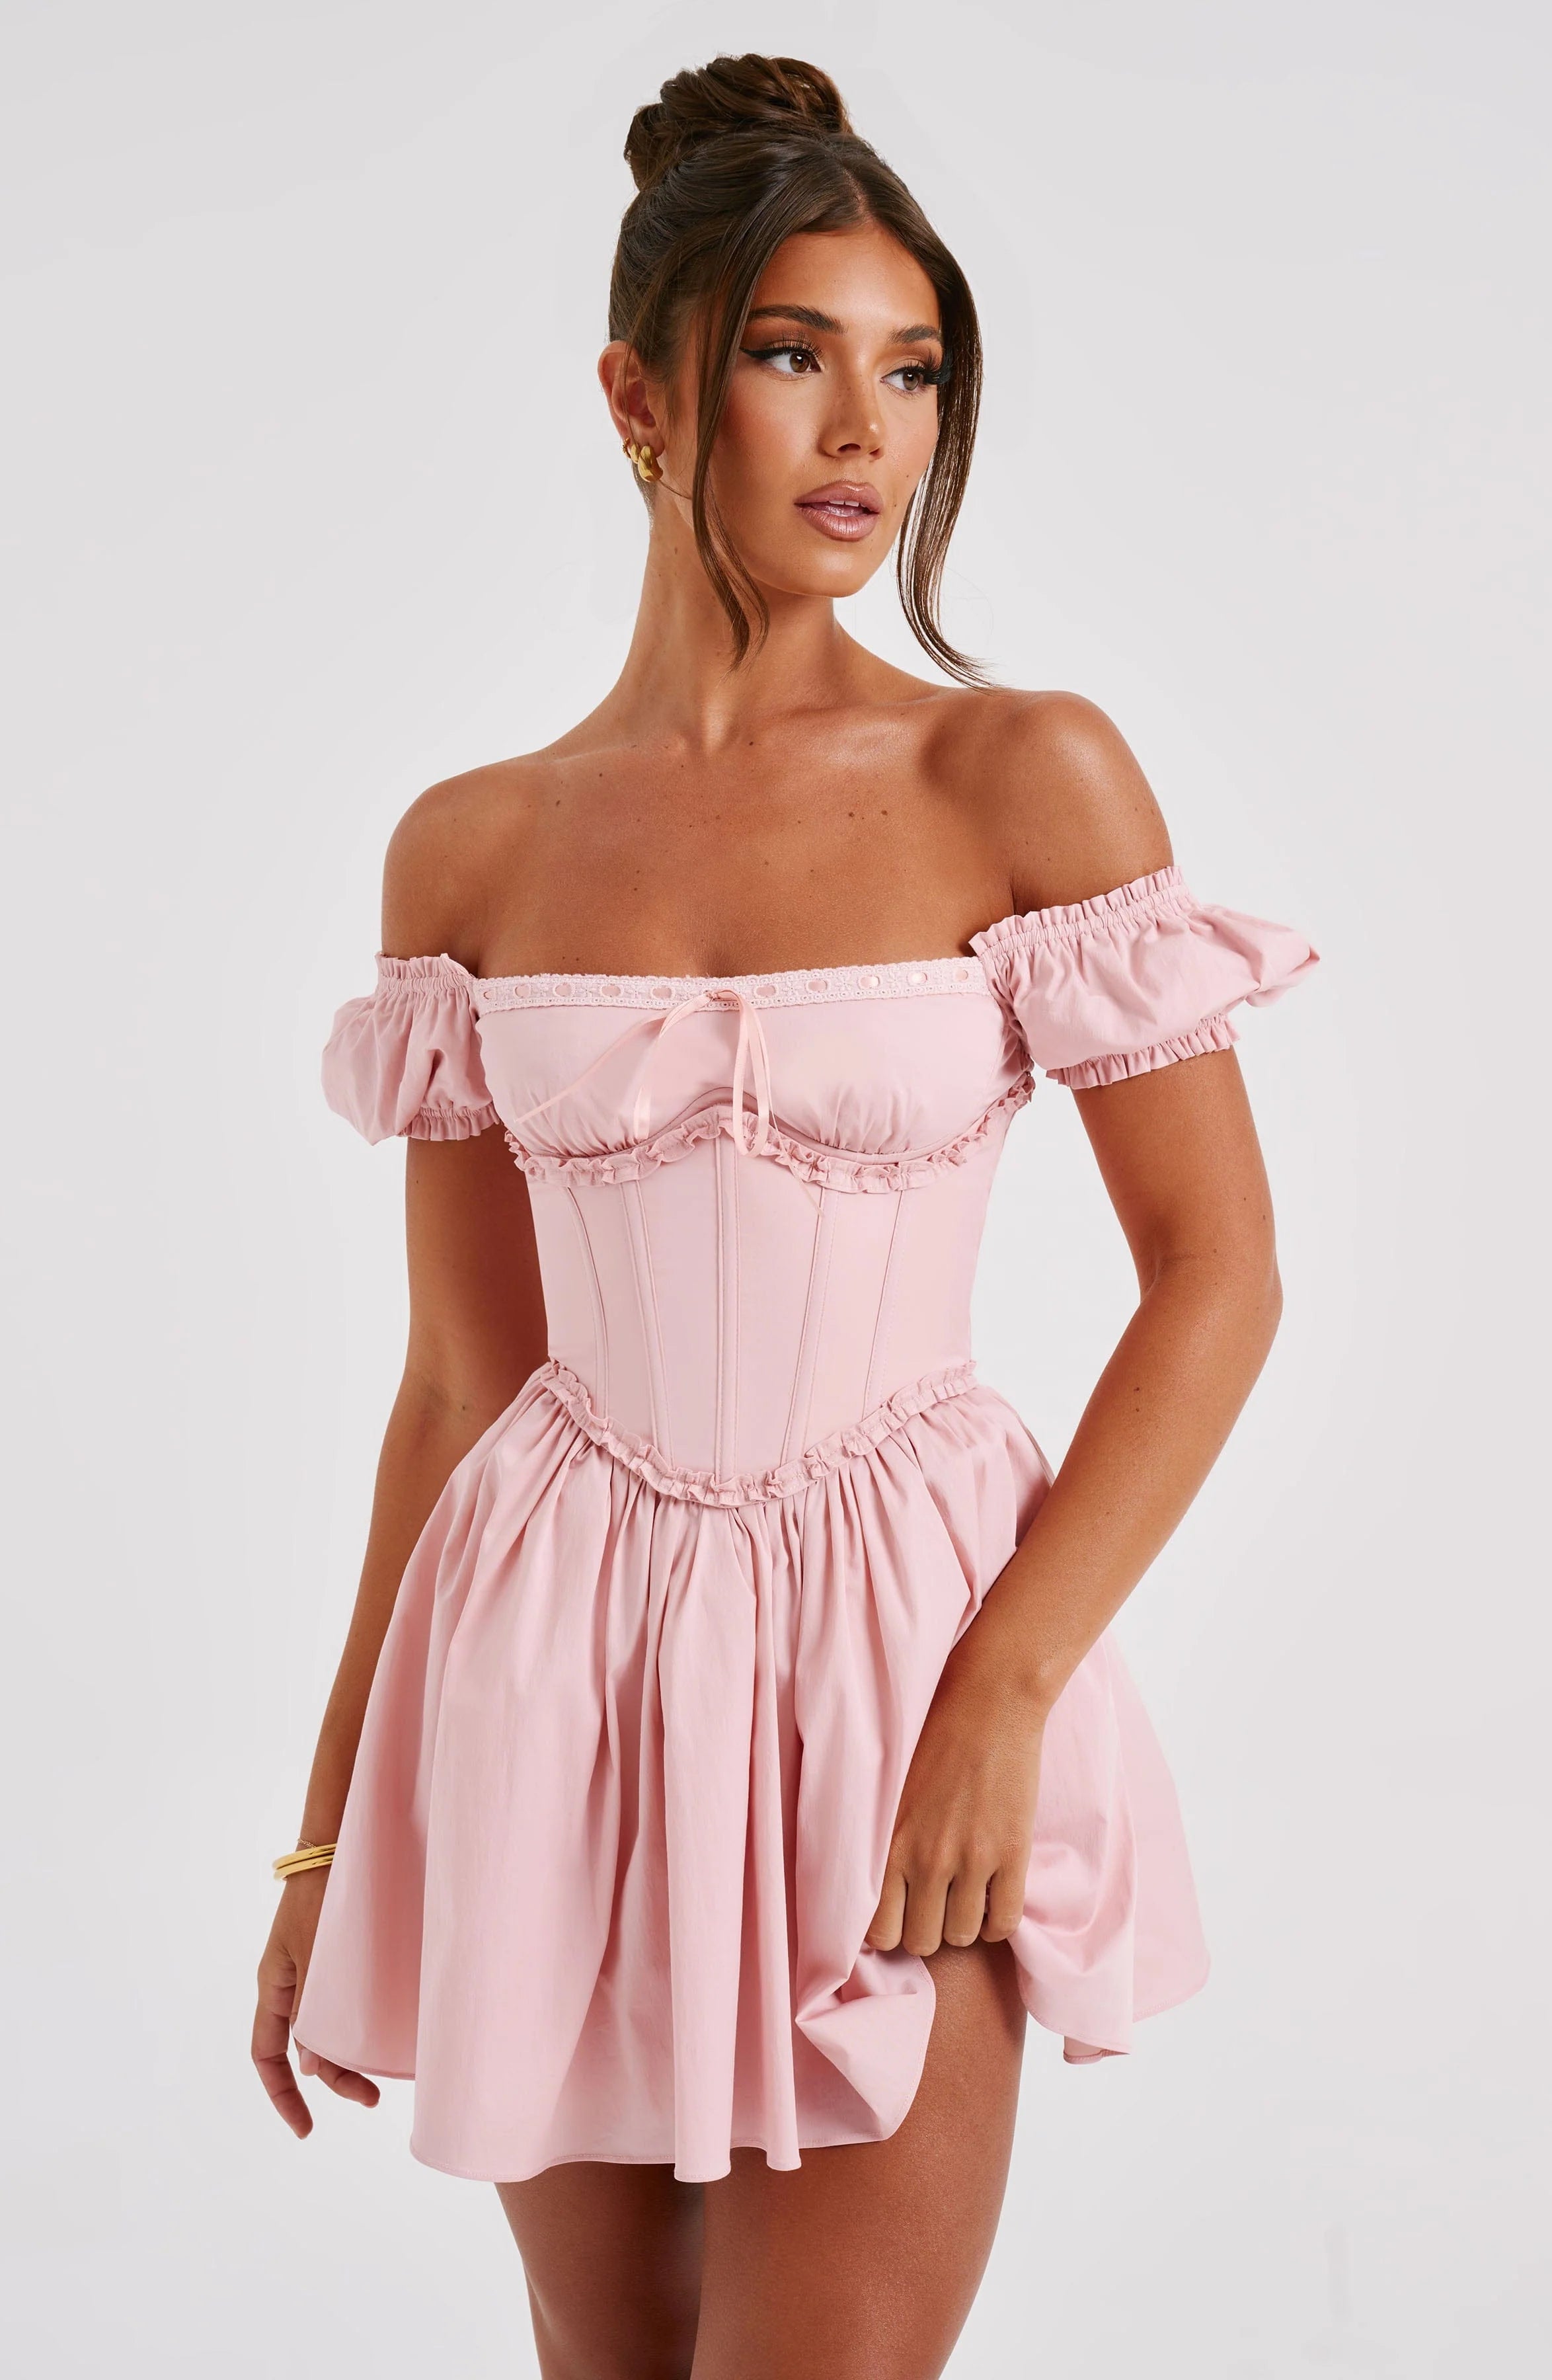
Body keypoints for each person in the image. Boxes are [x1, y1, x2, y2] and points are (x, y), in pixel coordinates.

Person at [252, 52, 1317, 2380]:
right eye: (790, 355)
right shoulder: (475, 847)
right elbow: (457, 1385)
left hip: (900, 1662)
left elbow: (1217, 1275)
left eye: (913, 370)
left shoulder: (1016, 771)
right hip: (545, 1677)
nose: (865, 430)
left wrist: (1007, 1690)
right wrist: (330, 1842)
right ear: (640, 397)